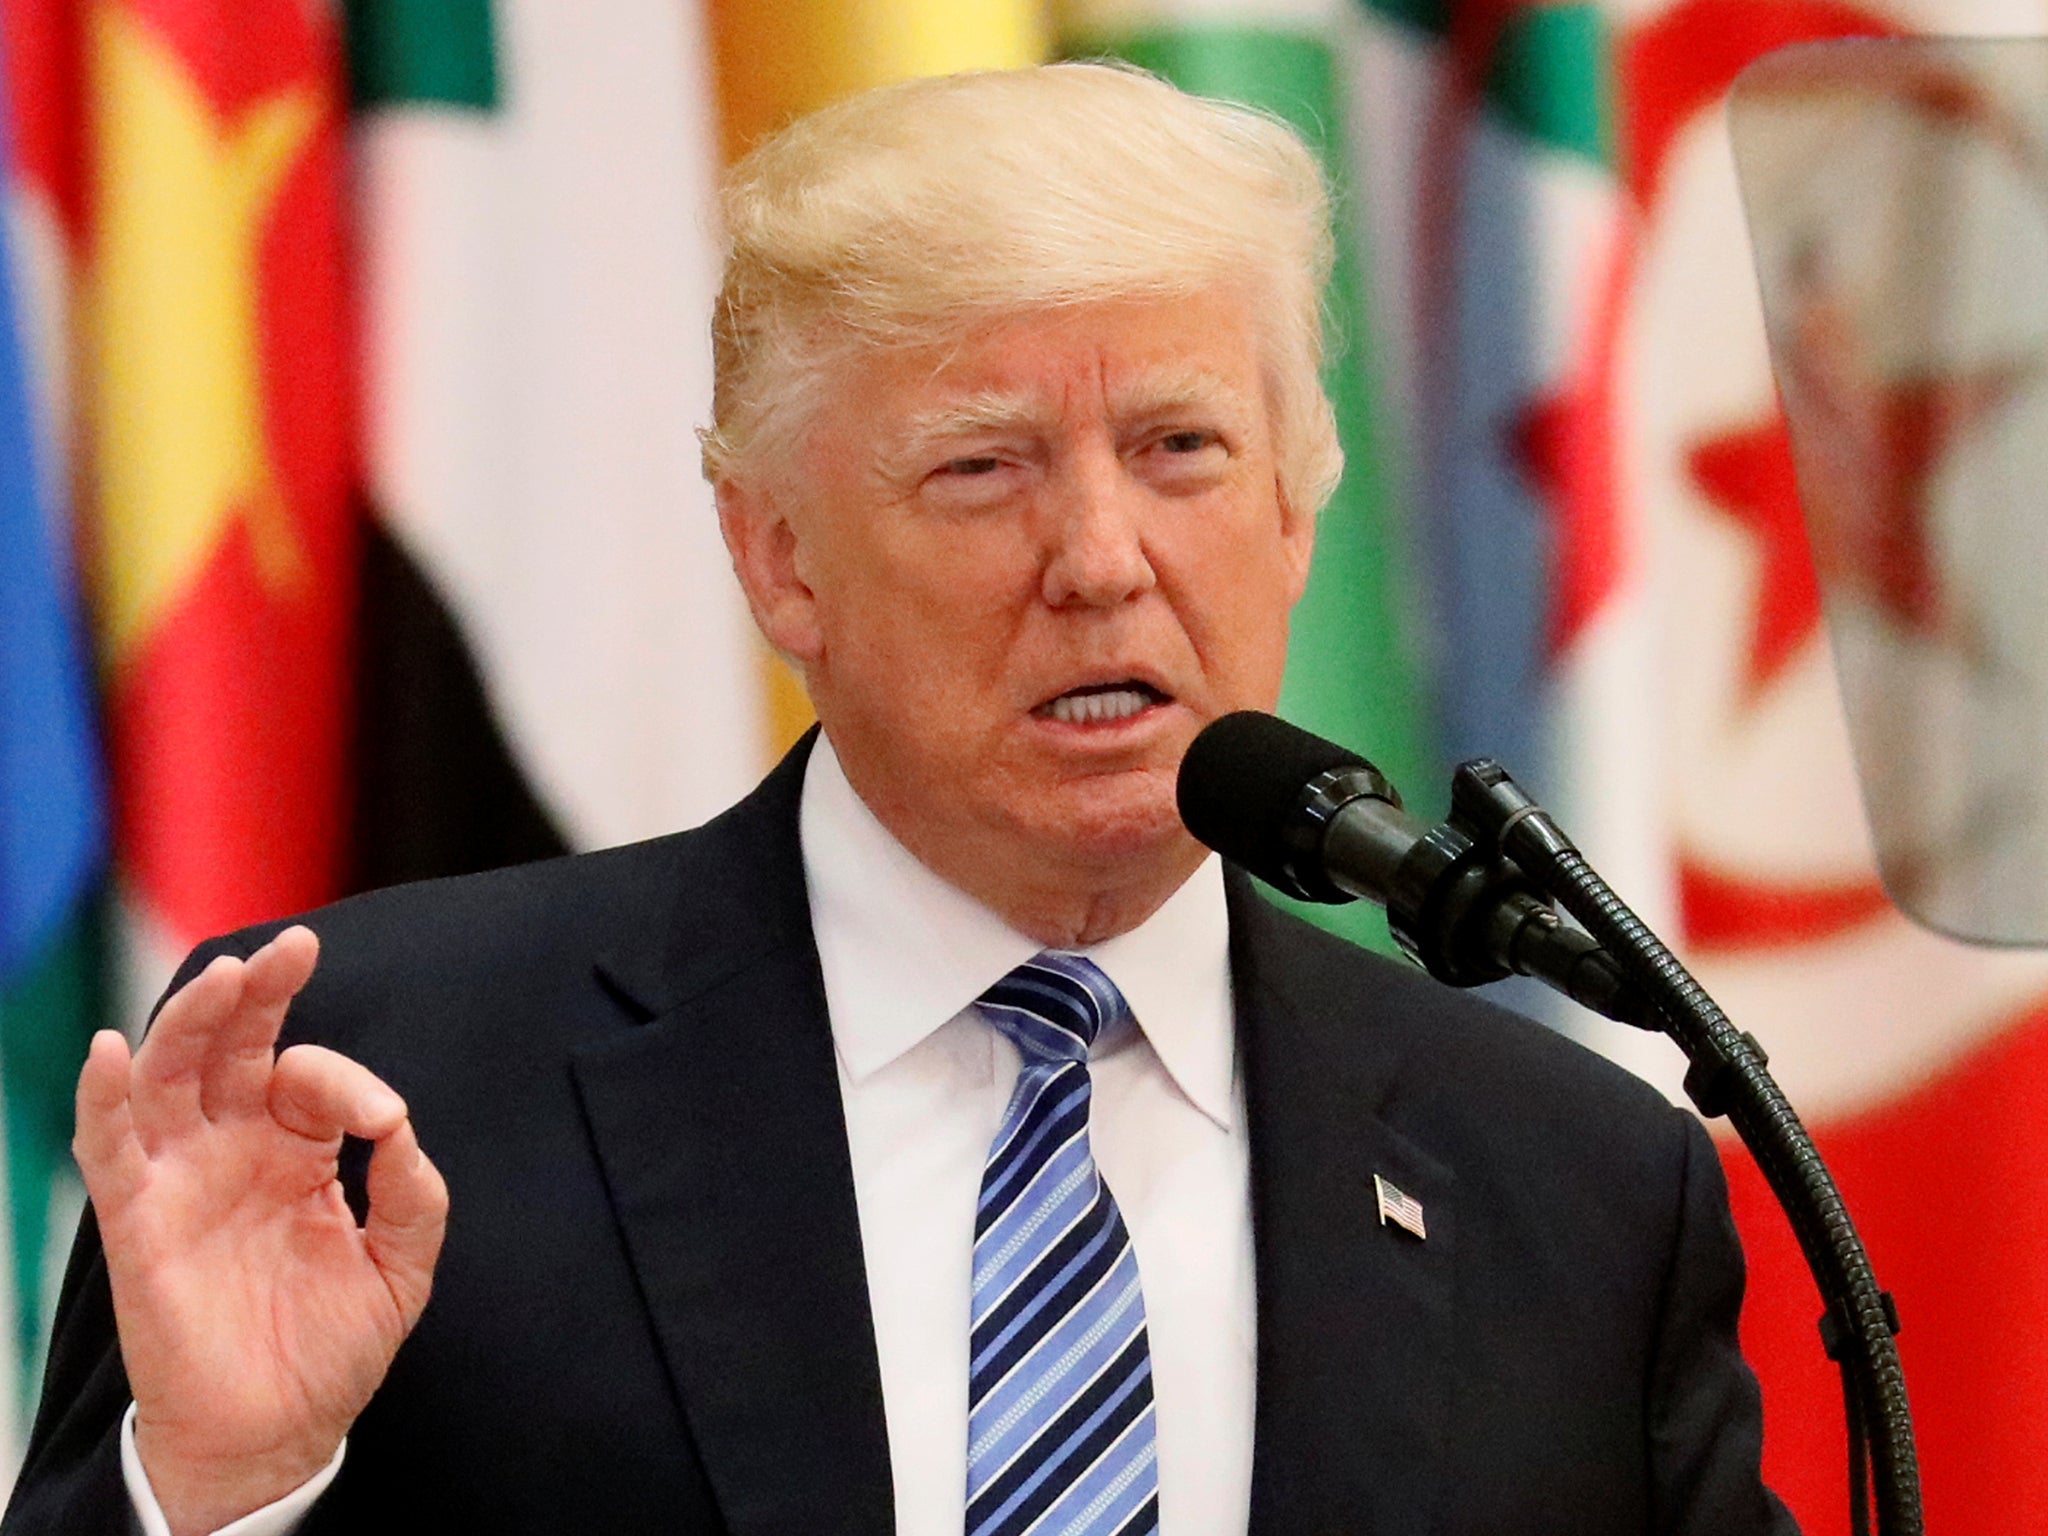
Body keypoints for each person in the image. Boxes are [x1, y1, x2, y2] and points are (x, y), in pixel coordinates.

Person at [3, 62, 1795, 1536]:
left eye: (1180, 448)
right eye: (980, 467)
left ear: (1294, 513)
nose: (1101, 560)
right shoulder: (374, 1087)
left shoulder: (1577, 1183)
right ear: (779, 562)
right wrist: (220, 1491)